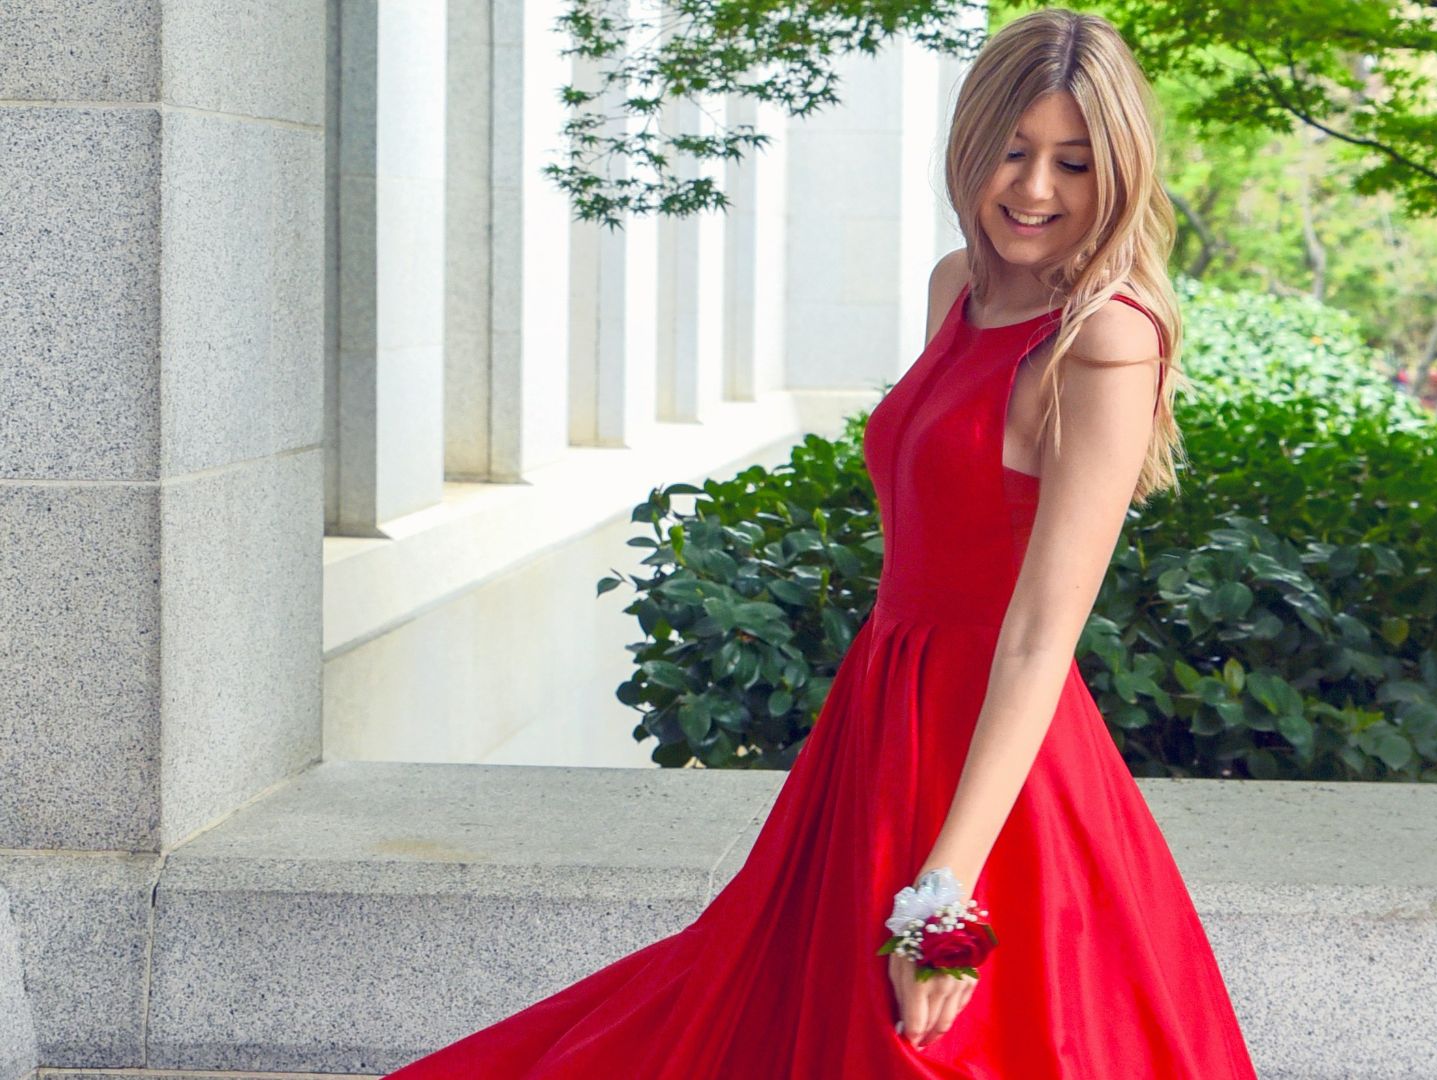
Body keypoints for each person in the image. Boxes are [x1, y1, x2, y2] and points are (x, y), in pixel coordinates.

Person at [386, 8, 1260, 1077]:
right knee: (760, 1006)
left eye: (1073, 162)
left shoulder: (1107, 337)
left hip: (993, 746)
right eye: (1012, 151)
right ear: (970, 149)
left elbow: (1040, 636)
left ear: (1116, 171)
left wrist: (945, 898)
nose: (1036, 188)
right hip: (883, 709)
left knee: (934, 1040)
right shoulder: (959, 285)